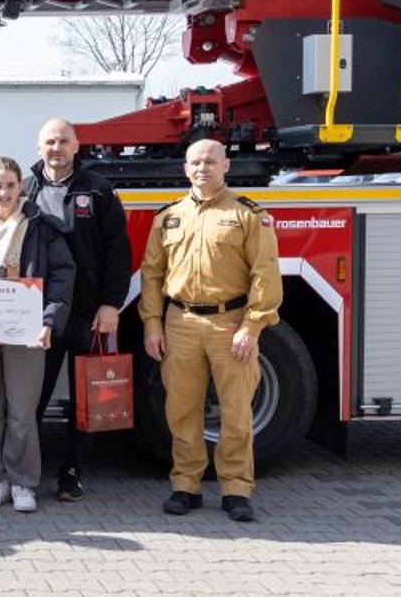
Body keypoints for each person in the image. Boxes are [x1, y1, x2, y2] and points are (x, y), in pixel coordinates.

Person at [139, 139, 281, 523]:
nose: (202, 168)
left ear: (226, 166)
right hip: (180, 323)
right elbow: (151, 274)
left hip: (229, 324)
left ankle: (236, 489)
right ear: (185, 168)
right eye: (195, 162)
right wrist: (152, 324)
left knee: (236, 412)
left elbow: (265, 273)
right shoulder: (168, 217)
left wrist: (251, 327)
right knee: (181, 410)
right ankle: (186, 485)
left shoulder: (247, 215)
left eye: (210, 162)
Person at [0, 157, 76, 513]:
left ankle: (22, 482)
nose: (3, 193)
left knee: (21, 411)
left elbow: (63, 273)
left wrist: (49, 321)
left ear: (21, 187)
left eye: (10, 185)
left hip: (26, 331)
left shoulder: (40, 225)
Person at [24, 118, 131, 501]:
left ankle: (72, 471)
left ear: (76, 145)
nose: (56, 148)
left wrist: (111, 304)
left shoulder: (98, 190)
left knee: (88, 395)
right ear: (39, 147)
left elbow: (118, 251)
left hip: (88, 313)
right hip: (42, 315)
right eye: (49, 141)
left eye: (63, 141)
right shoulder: (24, 189)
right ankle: (26, 471)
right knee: (31, 398)